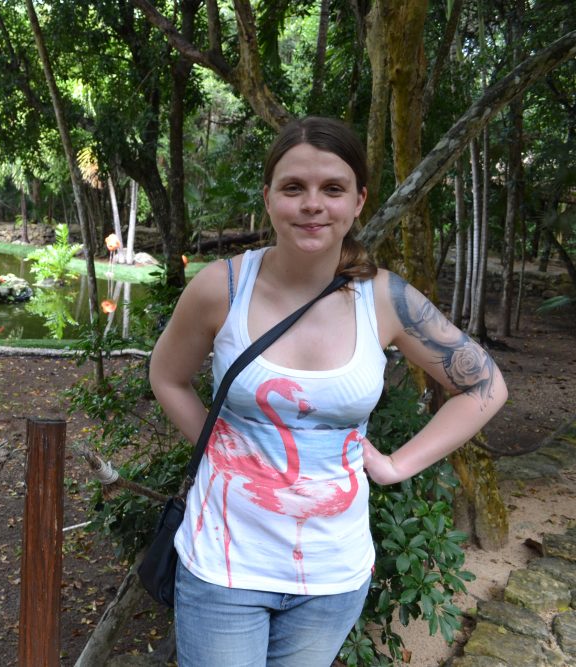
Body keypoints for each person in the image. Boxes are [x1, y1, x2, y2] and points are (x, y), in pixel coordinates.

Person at [148, 116, 507, 667]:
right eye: (294, 187)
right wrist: (220, 448)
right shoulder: (221, 287)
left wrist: (395, 466)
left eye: (332, 189)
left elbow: (485, 385)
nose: (312, 204)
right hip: (224, 563)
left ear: (358, 201)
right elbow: (167, 376)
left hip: (333, 574)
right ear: (268, 198)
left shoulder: (384, 299)